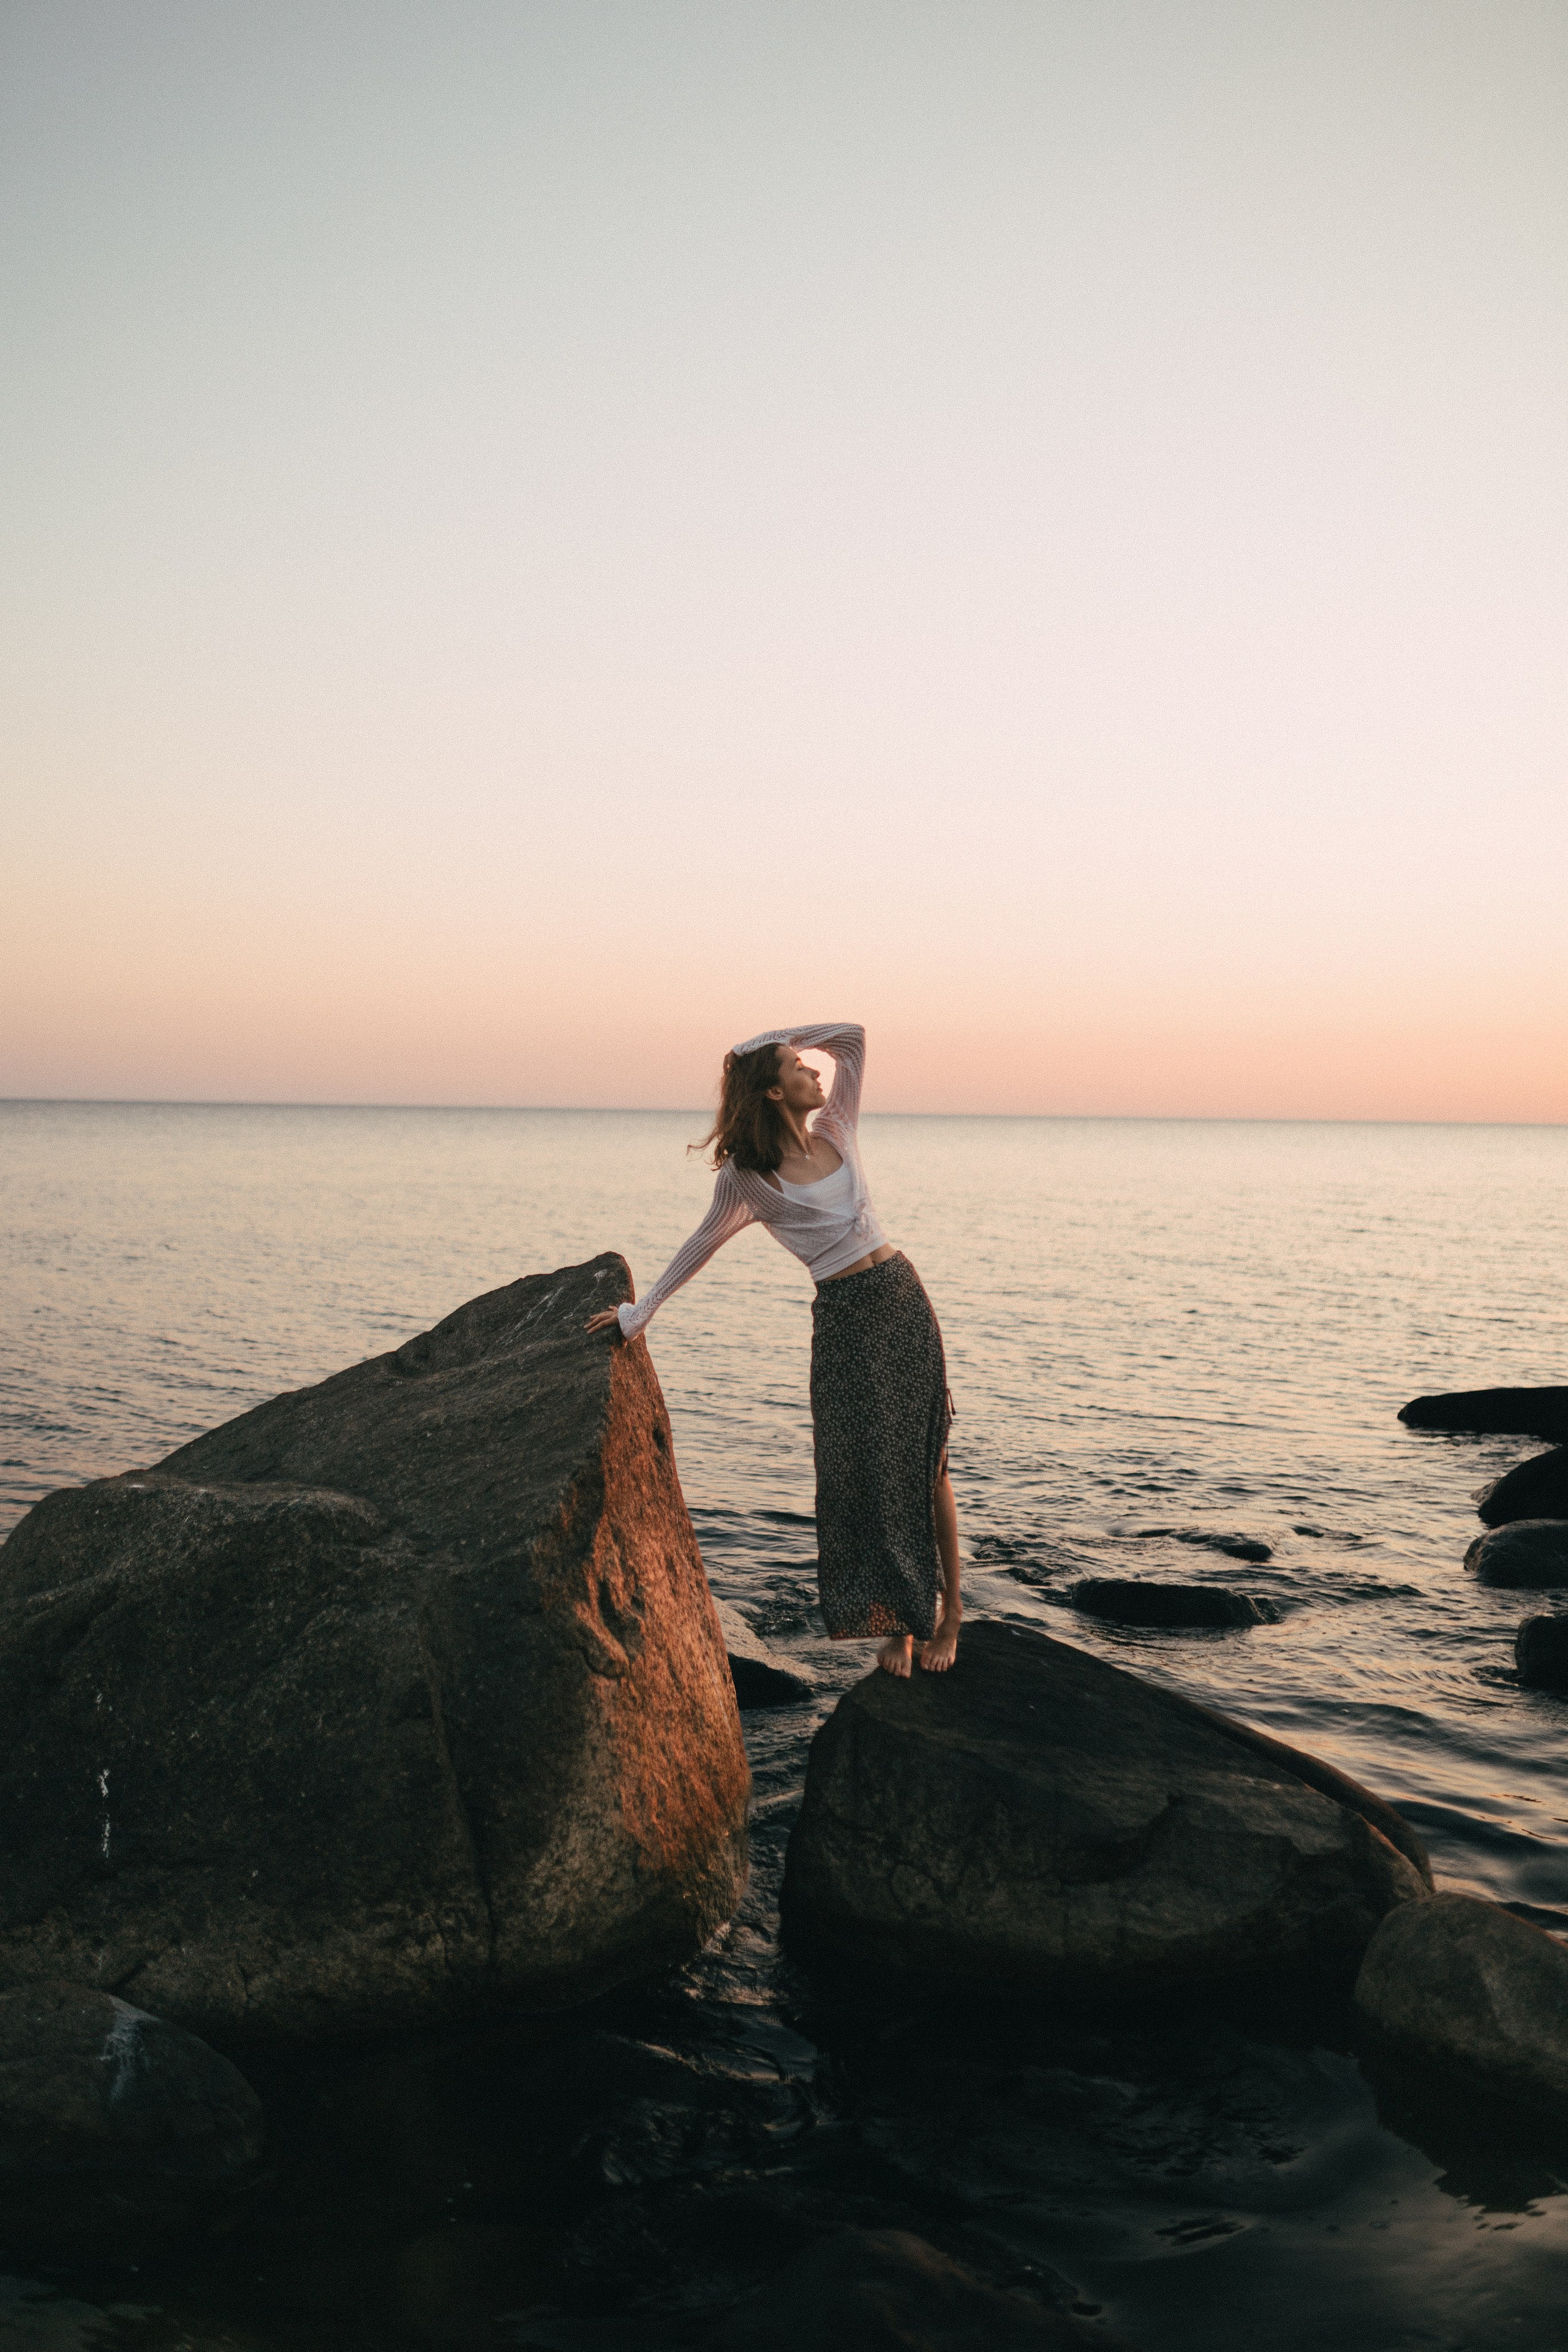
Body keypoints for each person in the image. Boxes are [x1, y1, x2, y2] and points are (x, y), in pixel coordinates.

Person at [586, 1023, 961, 1675]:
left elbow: (852, 1039)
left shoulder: (836, 1129)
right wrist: (638, 1314)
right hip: (845, 1319)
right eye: (796, 1066)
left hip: (901, 1297)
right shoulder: (748, 1179)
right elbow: (700, 1245)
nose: (815, 1072)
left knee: (929, 1465)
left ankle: (950, 1615)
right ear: (771, 1091)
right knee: (866, 1474)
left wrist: (769, 1039)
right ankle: (899, 1624)